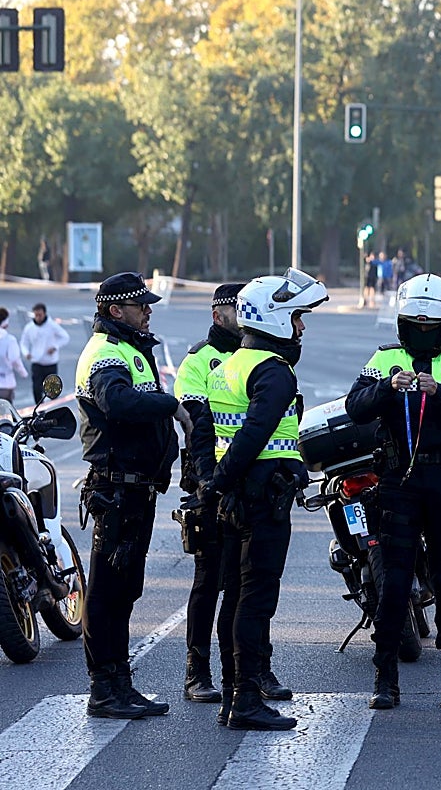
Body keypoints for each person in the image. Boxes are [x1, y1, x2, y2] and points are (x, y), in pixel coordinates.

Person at [193, 268, 328, 730]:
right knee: (256, 599)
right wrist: (222, 481)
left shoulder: (225, 365)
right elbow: (255, 434)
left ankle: (235, 697)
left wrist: (214, 483)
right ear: (273, 319)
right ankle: (246, 700)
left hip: (234, 496)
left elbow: (206, 432)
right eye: (296, 318)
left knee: (234, 596)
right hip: (261, 494)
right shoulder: (273, 372)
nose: (301, 328)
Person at [346, 274, 441, 710]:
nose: (423, 333)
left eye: (431, 326)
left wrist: (439, 392)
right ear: (401, 324)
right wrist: (386, 387)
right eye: (415, 325)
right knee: (393, 581)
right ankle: (384, 678)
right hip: (399, 483)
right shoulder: (384, 358)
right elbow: (355, 407)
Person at [173, 283, 294, 706]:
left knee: (248, 587)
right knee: (211, 583)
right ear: (216, 314)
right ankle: (197, 670)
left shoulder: (258, 358)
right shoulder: (199, 361)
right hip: (212, 482)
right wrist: (209, 485)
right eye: (232, 309)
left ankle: (254, 668)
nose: (239, 315)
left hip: (239, 481)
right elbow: (196, 428)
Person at [75, 272, 190, 719]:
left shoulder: (129, 350)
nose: (148, 311)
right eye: (141, 305)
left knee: (125, 592)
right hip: (116, 490)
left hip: (136, 491)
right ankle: (104, 689)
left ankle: (121, 684)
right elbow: (118, 405)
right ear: (115, 310)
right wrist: (171, 406)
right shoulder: (104, 353)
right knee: (106, 592)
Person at [21, 302, 71, 402]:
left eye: (40, 315)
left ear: (44, 313)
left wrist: (55, 347)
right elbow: (23, 343)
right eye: (36, 315)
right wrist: (26, 353)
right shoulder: (29, 328)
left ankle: (52, 410)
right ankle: (40, 411)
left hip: (50, 364)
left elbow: (65, 337)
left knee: (52, 391)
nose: (38, 317)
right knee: (36, 389)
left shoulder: (52, 325)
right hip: (37, 363)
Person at [0, 308, 27, 403]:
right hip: (6, 383)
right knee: (6, 412)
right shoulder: (9, 340)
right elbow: (15, 359)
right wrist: (23, 373)